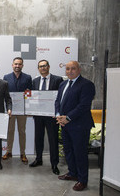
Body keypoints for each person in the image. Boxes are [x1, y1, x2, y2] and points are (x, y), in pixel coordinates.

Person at [55, 61, 95, 191]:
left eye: (73, 68)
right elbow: (58, 101)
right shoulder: (63, 84)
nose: (70, 71)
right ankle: (72, 173)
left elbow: (83, 106)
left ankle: (82, 180)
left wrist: (67, 118)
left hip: (79, 126)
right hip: (65, 125)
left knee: (80, 153)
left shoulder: (87, 85)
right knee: (68, 151)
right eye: (67, 69)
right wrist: (58, 115)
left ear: (79, 69)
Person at [29, 60, 63, 175]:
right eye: (40, 66)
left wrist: (58, 113)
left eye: (44, 66)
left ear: (48, 67)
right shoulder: (35, 81)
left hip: (52, 115)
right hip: (38, 115)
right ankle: (39, 159)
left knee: (53, 140)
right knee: (38, 138)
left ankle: (54, 164)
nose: (42, 68)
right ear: (38, 68)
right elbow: (33, 97)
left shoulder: (58, 79)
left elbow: (61, 98)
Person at [3, 57, 32, 164]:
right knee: (10, 131)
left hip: (22, 110)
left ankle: (22, 153)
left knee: (22, 132)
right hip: (10, 110)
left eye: (19, 64)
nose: (17, 66)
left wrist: (28, 95)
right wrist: (7, 108)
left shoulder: (27, 77)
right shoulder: (6, 77)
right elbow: (5, 94)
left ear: (22, 65)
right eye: (15, 64)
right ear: (12, 65)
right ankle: (9, 151)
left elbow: (30, 93)